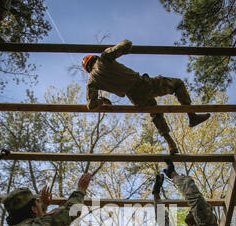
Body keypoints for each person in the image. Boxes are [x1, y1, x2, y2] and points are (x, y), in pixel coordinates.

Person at [82, 39, 210, 155]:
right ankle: (192, 116)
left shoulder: (92, 82)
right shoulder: (104, 59)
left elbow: (92, 105)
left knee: (155, 112)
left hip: (134, 97)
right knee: (177, 84)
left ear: (88, 70)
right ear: (95, 57)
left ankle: (171, 144)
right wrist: (116, 48)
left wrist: (102, 100)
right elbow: (126, 44)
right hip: (143, 84)